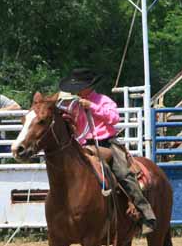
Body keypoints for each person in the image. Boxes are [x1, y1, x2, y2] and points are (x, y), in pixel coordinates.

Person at [59, 68, 156, 234]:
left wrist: (93, 107)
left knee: (124, 174)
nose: (76, 91)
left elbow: (114, 118)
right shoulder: (74, 104)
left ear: (88, 87)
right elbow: (76, 126)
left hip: (106, 143)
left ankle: (146, 214)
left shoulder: (103, 101)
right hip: (83, 145)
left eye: (79, 87)